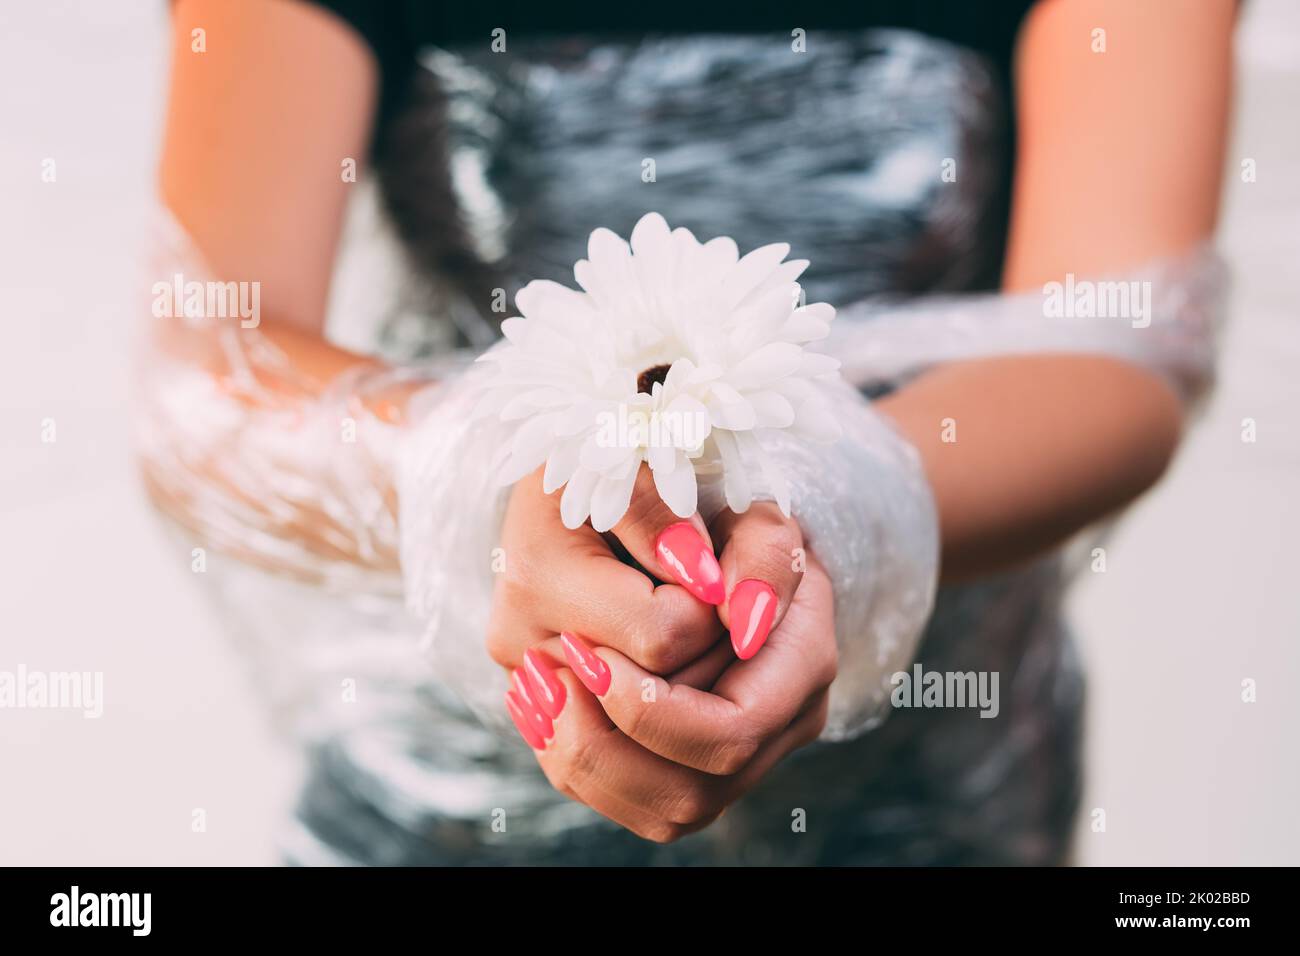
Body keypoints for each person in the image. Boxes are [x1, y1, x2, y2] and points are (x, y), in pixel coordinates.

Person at [145, 0, 1234, 864]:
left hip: (926, 807)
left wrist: (836, 503)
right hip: (443, 811)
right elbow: (208, 357)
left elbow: (1127, 340)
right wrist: (483, 482)